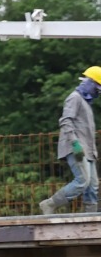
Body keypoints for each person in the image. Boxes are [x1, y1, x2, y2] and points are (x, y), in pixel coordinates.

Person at [40, 66, 101, 215]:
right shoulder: (75, 98)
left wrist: (92, 152)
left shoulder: (86, 102)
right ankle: (50, 204)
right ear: (91, 82)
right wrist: (75, 143)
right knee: (82, 181)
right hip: (76, 147)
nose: (99, 91)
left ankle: (90, 217)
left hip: (87, 150)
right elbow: (66, 121)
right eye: (98, 86)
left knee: (92, 185)